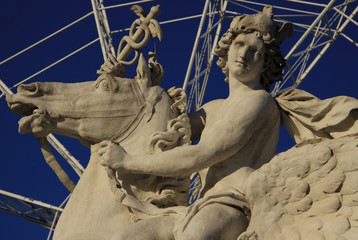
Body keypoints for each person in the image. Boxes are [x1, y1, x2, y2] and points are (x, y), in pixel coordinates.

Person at [99, 6, 292, 240]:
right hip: (195, 208)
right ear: (227, 49)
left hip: (233, 205)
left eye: (256, 52)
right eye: (239, 45)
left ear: (265, 64)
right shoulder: (212, 109)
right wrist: (123, 85)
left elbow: (201, 154)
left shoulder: (259, 101)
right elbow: (155, 130)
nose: (244, 55)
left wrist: (127, 162)